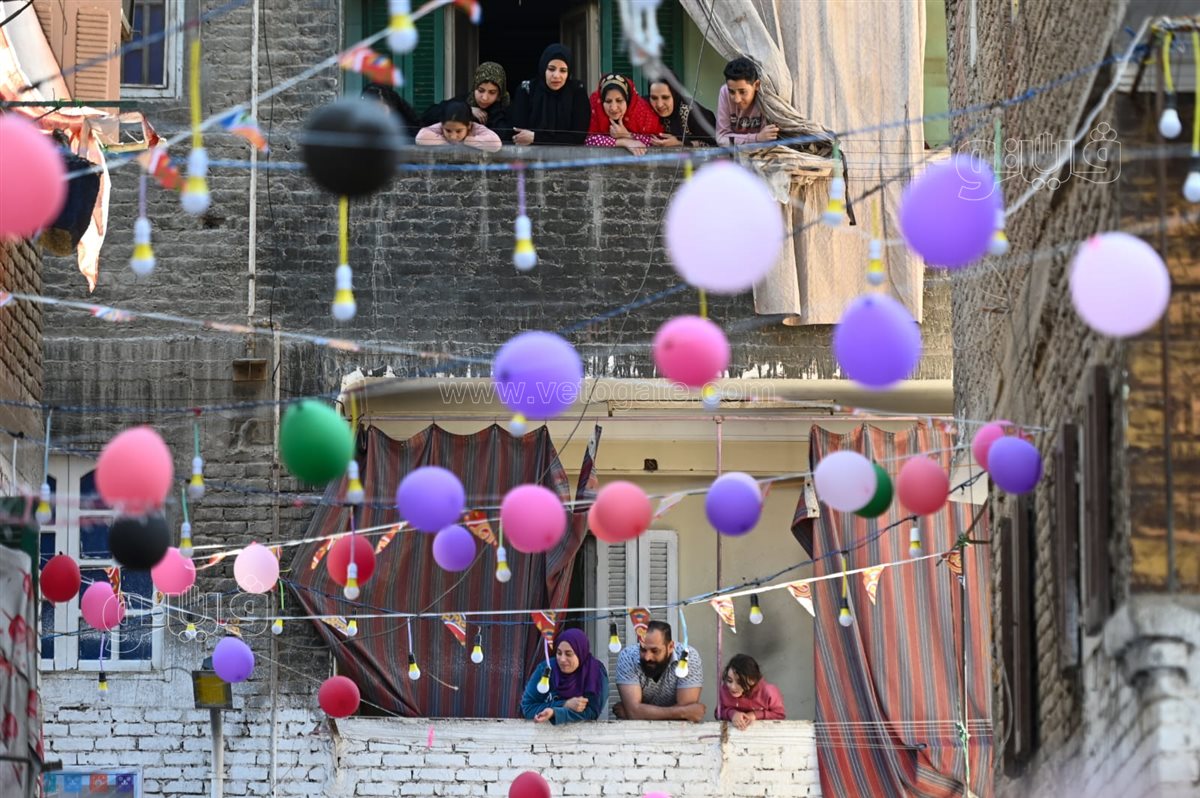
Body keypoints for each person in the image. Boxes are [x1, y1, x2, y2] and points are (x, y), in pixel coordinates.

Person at [613, 620, 705, 722]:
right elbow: (634, 712)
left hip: (678, 730)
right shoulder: (628, 656)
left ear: (670, 647)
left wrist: (635, 712)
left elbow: (686, 718)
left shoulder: (688, 657)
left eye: (655, 651)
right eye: (643, 649)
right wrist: (683, 712)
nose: (647, 657)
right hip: (637, 729)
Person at [520, 628, 609, 724]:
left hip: (583, 732)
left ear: (580, 653)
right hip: (544, 732)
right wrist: (564, 704)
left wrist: (555, 712)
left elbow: (592, 713)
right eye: (559, 653)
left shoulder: (595, 672)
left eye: (568, 654)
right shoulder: (546, 669)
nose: (562, 659)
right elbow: (528, 708)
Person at [509, 43, 591, 146]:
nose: (556, 75)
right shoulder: (526, 89)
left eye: (563, 70)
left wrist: (535, 137)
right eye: (551, 69)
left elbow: (578, 137)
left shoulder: (577, 91)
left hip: (567, 155)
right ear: (543, 68)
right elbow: (519, 135)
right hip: (530, 155)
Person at [420, 62, 512, 141]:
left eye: (492, 92)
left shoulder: (507, 108)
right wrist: (466, 110)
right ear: (474, 87)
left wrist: (495, 110)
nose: (484, 98)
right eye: (480, 90)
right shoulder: (465, 100)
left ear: (499, 94)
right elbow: (428, 116)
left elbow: (503, 136)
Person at [585, 74, 662, 155]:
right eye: (608, 101)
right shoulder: (595, 109)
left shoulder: (642, 112)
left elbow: (656, 142)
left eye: (619, 100)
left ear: (628, 100)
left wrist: (627, 135)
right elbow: (587, 140)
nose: (614, 108)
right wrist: (623, 142)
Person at [716, 56, 779, 147]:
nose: (737, 99)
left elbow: (767, 139)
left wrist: (735, 140)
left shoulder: (765, 98)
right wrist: (756, 138)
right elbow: (721, 138)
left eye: (742, 92)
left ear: (756, 85)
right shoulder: (724, 92)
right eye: (732, 92)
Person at [716, 653, 786, 730]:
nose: (732, 687)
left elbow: (779, 715)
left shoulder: (769, 692)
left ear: (753, 680)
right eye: (729, 680)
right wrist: (732, 714)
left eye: (740, 682)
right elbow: (718, 713)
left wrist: (755, 715)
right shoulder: (725, 690)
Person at [646, 79, 716, 148]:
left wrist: (681, 144)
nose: (659, 105)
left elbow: (714, 145)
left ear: (675, 95)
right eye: (654, 98)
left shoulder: (691, 113)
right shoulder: (645, 107)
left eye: (665, 97)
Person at [416, 100, 502, 152]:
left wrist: (465, 140)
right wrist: (448, 142)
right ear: (442, 125)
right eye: (448, 131)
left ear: (469, 125)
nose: (453, 136)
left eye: (458, 131)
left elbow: (495, 144)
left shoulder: (475, 128)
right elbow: (420, 138)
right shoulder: (442, 126)